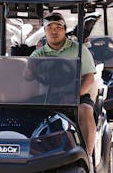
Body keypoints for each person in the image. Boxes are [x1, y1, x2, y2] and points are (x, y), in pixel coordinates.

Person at [26, 12, 96, 157]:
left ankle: (87, 156)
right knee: (26, 113)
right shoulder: (39, 54)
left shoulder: (79, 50)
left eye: (58, 27)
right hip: (47, 96)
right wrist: (32, 65)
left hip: (76, 94)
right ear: (44, 32)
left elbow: (89, 77)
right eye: (49, 27)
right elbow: (27, 77)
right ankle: (33, 154)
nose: (54, 31)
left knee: (85, 110)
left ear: (64, 30)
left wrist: (77, 94)